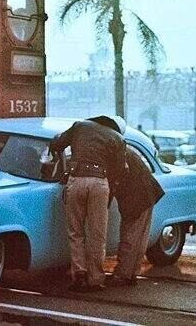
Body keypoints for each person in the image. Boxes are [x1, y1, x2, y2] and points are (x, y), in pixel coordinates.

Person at [49, 115, 127, 292]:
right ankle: (96, 279)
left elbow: (57, 144)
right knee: (97, 235)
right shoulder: (117, 138)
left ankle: (80, 276)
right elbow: (121, 170)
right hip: (100, 183)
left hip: (76, 179)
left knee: (76, 231)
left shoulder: (80, 126)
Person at [107, 147, 165, 286]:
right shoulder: (122, 149)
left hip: (136, 198)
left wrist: (105, 205)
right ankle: (132, 273)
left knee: (129, 236)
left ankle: (122, 274)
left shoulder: (111, 154)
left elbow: (112, 182)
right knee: (140, 238)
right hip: (149, 193)